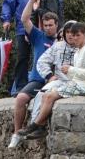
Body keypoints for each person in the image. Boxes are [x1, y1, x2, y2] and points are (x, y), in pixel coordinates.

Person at [18, 22, 85, 139]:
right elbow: (42, 62)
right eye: (71, 34)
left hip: (84, 86)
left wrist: (70, 70)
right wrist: (50, 75)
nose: (74, 37)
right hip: (74, 83)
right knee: (45, 95)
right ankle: (40, 127)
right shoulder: (77, 51)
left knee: (50, 96)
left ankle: (35, 125)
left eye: (77, 35)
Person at [8, 12, 60, 148]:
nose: (48, 28)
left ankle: (38, 127)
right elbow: (24, 19)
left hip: (56, 82)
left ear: (57, 25)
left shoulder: (63, 40)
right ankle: (17, 134)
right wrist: (31, 1)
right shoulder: (38, 36)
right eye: (45, 25)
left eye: (50, 25)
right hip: (38, 80)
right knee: (20, 98)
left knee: (44, 97)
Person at [0, 0, 43, 95]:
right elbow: (8, 4)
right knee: (22, 58)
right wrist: (6, 20)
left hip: (41, 29)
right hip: (22, 28)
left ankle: (39, 87)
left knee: (41, 57)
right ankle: (20, 88)